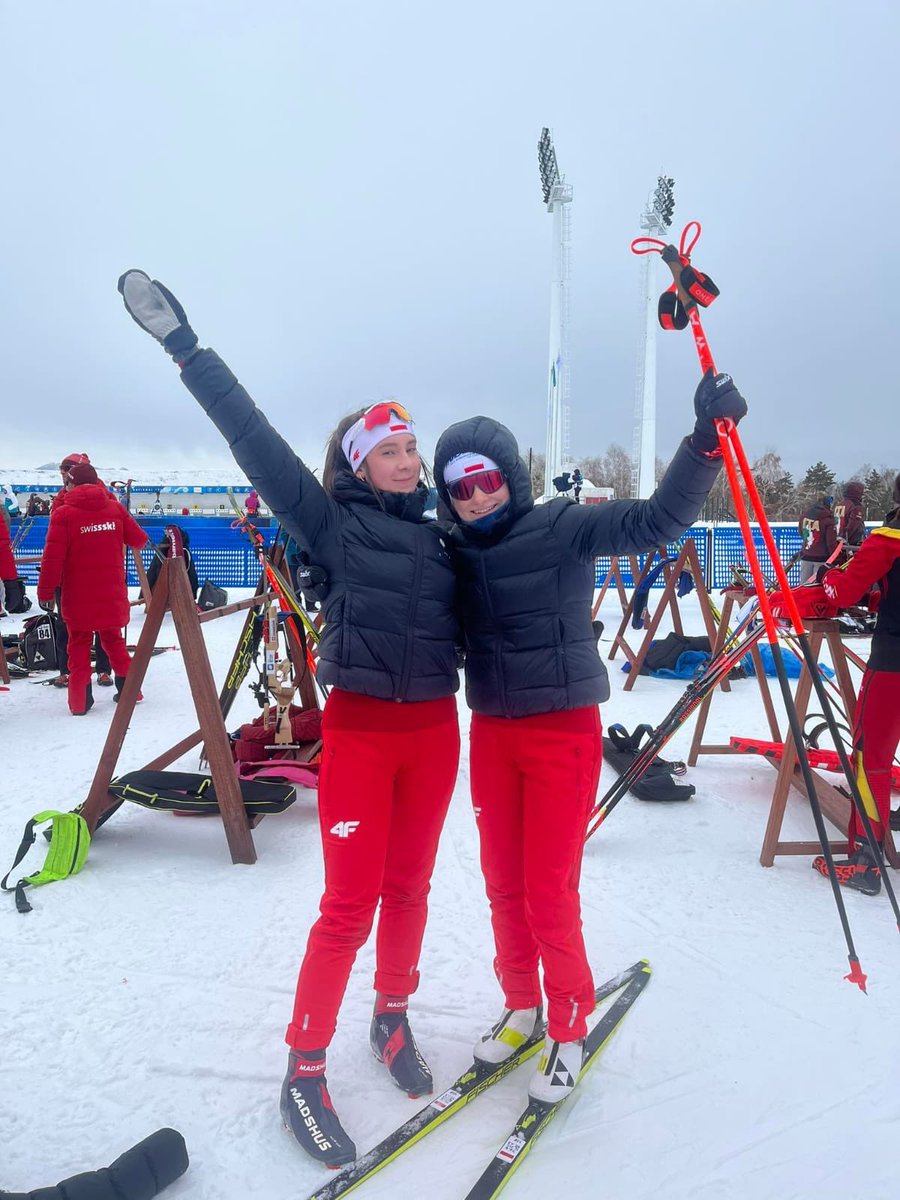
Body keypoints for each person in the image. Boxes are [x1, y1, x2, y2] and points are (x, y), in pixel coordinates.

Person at [118, 269, 461, 1168]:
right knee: (348, 903)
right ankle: (303, 1067)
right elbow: (256, 443)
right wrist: (190, 352)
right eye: (392, 449)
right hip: (361, 733)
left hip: (434, 735)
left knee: (411, 890)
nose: (409, 459)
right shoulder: (328, 523)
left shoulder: (442, 537)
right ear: (357, 462)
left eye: (412, 447)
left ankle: (390, 1015)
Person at [433, 367, 746, 1104]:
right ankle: (522, 1003)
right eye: (459, 488)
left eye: (484, 479)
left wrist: (704, 443)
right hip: (493, 734)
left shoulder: (562, 525)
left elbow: (657, 523)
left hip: (562, 733)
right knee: (503, 884)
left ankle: (569, 1026)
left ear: (510, 474)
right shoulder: (453, 550)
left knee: (547, 887)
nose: (475, 496)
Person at [808, 472, 900, 896]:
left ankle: (865, 858)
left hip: (894, 664)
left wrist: (830, 577)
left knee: (872, 757)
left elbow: (841, 591)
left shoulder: (889, 538)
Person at [37, 463, 148, 715]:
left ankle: (80, 704)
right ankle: (131, 692)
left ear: (71, 485)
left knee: (78, 647)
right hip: (111, 594)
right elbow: (139, 540)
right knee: (114, 642)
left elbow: (52, 560)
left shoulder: (63, 515)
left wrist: (45, 592)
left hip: (78, 597)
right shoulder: (114, 509)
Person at [47, 454, 116, 688]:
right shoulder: (61, 498)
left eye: (67, 469)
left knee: (104, 622)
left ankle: (104, 670)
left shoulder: (104, 495)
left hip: (98, 571)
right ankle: (67, 670)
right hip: (71, 573)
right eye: (62, 469)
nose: (63, 474)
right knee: (65, 622)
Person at [146, 527, 199, 599]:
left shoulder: (163, 550)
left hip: (165, 592)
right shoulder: (185, 550)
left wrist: (144, 594)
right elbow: (192, 575)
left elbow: (151, 572)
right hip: (185, 592)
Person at [798, 494, 838, 582]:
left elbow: (801, 532)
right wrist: (836, 558)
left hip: (806, 555)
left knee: (804, 587)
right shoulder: (828, 519)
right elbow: (830, 542)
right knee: (817, 587)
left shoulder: (805, 515)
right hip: (821, 558)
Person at [834, 480, 867, 548]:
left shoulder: (839, 505)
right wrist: (845, 538)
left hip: (838, 539)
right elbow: (853, 525)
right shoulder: (855, 506)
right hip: (852, 543)